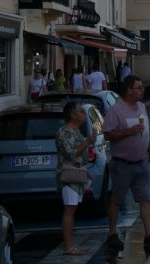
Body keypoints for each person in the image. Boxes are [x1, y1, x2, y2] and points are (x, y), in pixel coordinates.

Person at [102, 75, 150, 254]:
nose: (142, 90)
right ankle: (112, 233)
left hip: (141, 162)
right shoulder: (116, 110)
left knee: (145, 199)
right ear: (129, 91)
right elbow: (107, 135)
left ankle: (149, 234)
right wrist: (128, 132)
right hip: (122, 164)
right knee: (117, 199)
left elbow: (146, 132)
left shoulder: (141, 107)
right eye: (139, 87)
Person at [55, 102, 98, 255]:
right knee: (69, 209)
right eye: (81, 111)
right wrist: (87, 142)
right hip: (69, 176)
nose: (84, 114)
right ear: (73, 115)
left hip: (77, 174)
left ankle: (71, 244)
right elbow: (71, 153)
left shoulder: (76, 131)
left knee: (72, 209)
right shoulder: (64, 132)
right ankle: (68, 246)